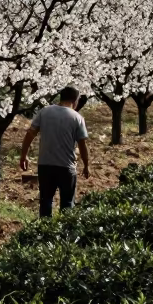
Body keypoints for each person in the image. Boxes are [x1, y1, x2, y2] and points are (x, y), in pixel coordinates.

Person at [20, 86, 90, 218]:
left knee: (45, 201)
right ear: (75, 101)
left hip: (45, 165)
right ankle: (64, 234)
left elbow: (30, 134)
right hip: (67, 167)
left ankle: (44, 233)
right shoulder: (77, 117)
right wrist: (86, 165)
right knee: (67, 203)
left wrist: (24, 155)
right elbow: (82, 145)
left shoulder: (44, 112)